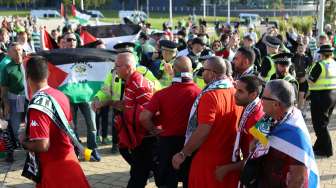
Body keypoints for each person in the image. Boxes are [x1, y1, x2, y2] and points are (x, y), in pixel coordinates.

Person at [172, 56, 243, 188]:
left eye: (204, 70)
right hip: (230, 160)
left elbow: (204, 129)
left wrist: (183, 153)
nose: (202, 73)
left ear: (211, 73)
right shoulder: (235, 93)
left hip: (208, 162)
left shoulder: (210, 96)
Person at [20, 56, 89, 188]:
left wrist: (23, 141)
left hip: (54, 171)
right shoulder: (60, 95)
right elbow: (71, 126)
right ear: (48, 74)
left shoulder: (37, 106)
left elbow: (42, 145)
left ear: (27, 76)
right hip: (70, 162)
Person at [140, 56, 201, 187]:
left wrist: (154, 130)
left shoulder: (161, 94)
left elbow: (144, 117)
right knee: (189, 181)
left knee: (166, 183)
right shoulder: (201, 93)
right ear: (191, 70)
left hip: (167, 143)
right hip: (191, 143)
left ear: (173, 71)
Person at [247, 80, 319, 187]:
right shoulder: (270, 116)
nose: (260, 100)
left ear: (276, 104)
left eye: (263, 98)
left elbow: (298, 179)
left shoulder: (296, 135)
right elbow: (254, 143)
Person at [113, 52, 156, 187]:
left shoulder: (138, 84)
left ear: (128, 67)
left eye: (117, 66)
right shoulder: (130, 81)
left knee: (138, 175)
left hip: (144, 138)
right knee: (137, 171)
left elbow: (149, 112)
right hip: (137, 136)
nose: (115, 69)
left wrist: (152, 131)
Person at [60, 32, 101, 161]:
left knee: (92, 125)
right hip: (69, 98)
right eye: (69, 39)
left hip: (86, 96)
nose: (72, 41)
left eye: (74, 39)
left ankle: (92, 149)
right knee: (72, 127)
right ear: (64, 42)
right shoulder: (59, 56)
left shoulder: (85, 53)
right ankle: (76, 149)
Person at [215, 75, 264, 181]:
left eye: (240, 91)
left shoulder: (255, 120)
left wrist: (226, 169)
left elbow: (257, 158)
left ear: (253, 94)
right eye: (236, 89)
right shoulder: (253, 107)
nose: (235, 94)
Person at [308, 44, 336, 157]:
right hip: (332, 95)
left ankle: (328, 150)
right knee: (323, 123)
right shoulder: (334, 63)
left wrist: (306, 75)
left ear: (321, 54)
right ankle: (318, 147)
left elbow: (310, 80)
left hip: (320, 97)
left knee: (319, 125)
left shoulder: (319, 65)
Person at [1, 43, 25, 147]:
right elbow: (4, 88)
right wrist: (6, 104)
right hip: (17, 98)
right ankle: (21, 144)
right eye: (15, 51)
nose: (18, 52)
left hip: (30, 98)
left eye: (19, 50)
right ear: (9, 53)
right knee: (17, 124)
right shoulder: (7, 68)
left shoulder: (27, 63)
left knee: (30, 120)